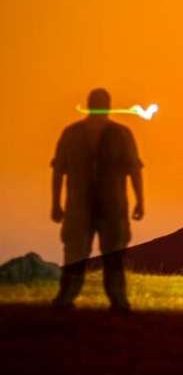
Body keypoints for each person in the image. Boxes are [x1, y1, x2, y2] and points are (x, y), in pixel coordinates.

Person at [50, 88, 144, 312]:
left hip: (89, 207)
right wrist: (141, 200)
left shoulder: (73, 133)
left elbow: (58, 172)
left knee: (82, 255)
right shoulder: (121, 134)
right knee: (105, 255)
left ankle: (72, 299)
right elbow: (134, 171)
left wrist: (55, 203)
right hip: (104, 206)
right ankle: (115, 301)